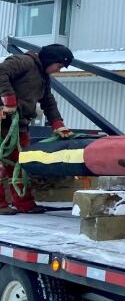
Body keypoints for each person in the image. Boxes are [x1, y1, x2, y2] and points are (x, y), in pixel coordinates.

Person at [0, 44, 74, 215]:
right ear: (50, 59)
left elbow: (48, 101)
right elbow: (1, 72)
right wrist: (8, 100)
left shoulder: (43, 76)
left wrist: (58, 124)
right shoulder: (24, 61)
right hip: (3, 121)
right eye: (60, 66)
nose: (59, 70)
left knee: (21, 166)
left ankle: (24, 204)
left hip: (19, 125)